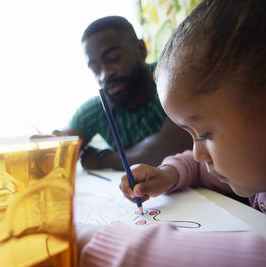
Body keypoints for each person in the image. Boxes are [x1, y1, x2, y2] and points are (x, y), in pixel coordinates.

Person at [76, 1, 266, 266]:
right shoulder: (259, 167)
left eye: (204, 134)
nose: (197, 151)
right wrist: (168, 175)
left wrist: (96, 240)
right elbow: (196, 166)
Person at [42, 16, 192, 170]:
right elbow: (63, 144)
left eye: (114, 58)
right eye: (95, 68)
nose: (104, 74)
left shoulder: (172, 80)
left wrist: (102, 159)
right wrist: (48, 145)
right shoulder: (97, 108)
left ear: (141, 49)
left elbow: (167, 150)